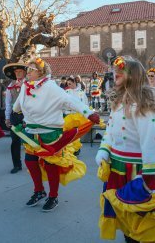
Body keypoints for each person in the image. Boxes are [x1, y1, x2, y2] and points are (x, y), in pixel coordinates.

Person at [95, 56, 155, 243]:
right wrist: (104, 150)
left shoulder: (142, 105)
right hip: (118, 169)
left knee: (140, 219)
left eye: (121, 70)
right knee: (125, 218)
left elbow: (153, 141)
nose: (115, 73)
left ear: (133, 75)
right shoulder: (118, 102)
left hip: (137, 171)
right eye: (115, 70)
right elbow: (110, 131)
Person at [13, 58, 100, 212]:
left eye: (32, 69)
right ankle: (39, 190)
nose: (28, 72)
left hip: (50, 133)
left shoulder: (50, 87)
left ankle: (53, 196)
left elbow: (69, 100)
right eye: (28, 69)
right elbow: (16, 107)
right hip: (31, 132)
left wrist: (88, 113)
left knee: (51, 164)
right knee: (30, 161)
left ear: (41, 72)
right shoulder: (26, 87)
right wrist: (18, 98)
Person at [3, 61, 27, 174]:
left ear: (24, 72)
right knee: (15, 141)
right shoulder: (10, 86)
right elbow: (8, 103)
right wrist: (7, 118)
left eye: (20, 71)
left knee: (31, 140)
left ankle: (35, 163)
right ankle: (17, 165)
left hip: (27, 115)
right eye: (16, 71)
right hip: (14, 115)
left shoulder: (29, 84)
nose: (17, 73)